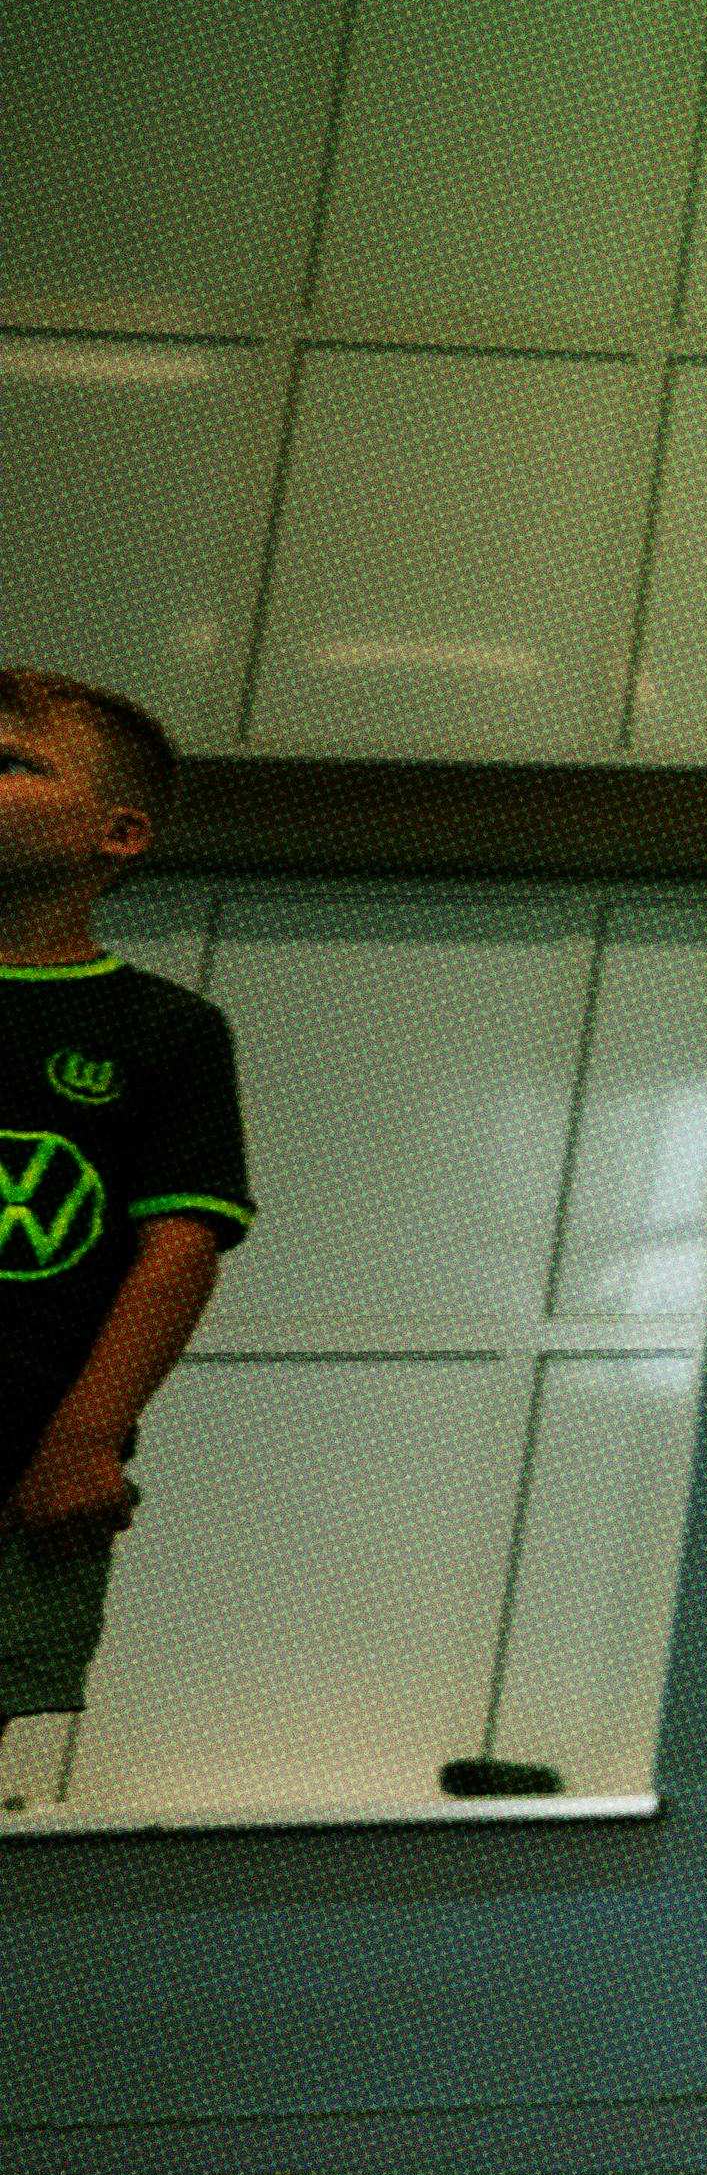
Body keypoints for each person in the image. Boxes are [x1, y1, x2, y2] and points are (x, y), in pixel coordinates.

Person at [0, 674, 247, 1758]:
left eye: (13, 763)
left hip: (20, 1460)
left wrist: (86, 1434)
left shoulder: (164, 1031)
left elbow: (179, 1253)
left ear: (118, 832)